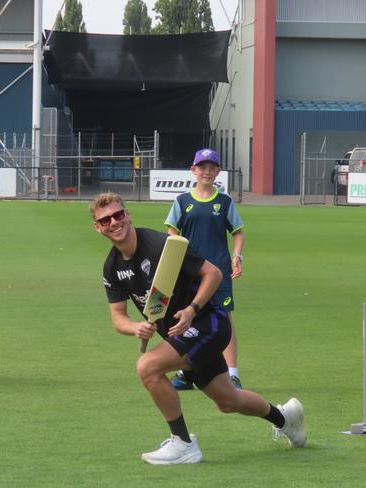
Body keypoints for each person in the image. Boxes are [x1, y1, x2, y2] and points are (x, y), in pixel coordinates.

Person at [90, 192, 305, 465]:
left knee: (148, 366)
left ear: (127, 215)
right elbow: (118, 318)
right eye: (106, 219)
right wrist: (135, 328)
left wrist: (192, 309)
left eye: (118, 215)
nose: (114, 222)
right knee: (229, 401)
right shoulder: (112, 268)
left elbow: (213, 273)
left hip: (208, 323)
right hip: (179, 334)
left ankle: (183, 444)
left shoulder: (161, 245)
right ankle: (286, 418)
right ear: (99, 228)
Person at [165, 148, 245, 391]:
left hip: (219, 272)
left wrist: (236, 257)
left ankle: (232, 375)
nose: (207, 172)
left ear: (218, 171)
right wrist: (176, 260)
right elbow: (171, 232)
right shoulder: (182, 201)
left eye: (212, 167)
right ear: (193, 170)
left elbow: (238, 232)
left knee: (224, 320)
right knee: (189, 319)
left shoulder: (224, 202)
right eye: (202, 167)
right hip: (191, 272)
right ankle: (186, 371)